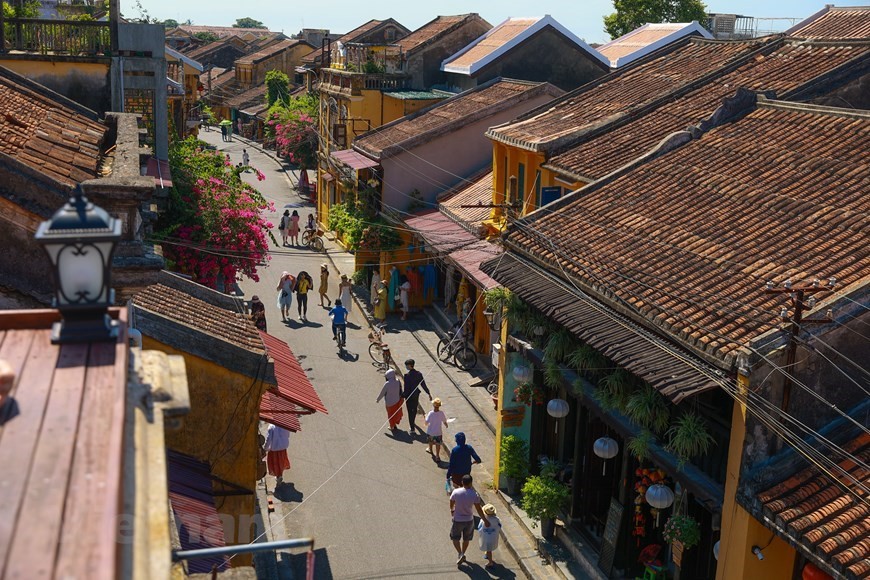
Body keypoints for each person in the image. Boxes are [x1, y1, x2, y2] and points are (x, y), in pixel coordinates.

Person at [450, 474, 489, 567]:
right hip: (469, 520)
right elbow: (479, 509)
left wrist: (452, 509)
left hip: (458, 520)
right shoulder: (474, 495)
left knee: (455, 538)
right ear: (471, 483)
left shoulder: (456, 492)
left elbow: (451, 501)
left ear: (462, 482)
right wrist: (485, 520)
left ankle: (460, 554)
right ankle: (463, 552)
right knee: (466, 539)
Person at [402, 359, 431, 433]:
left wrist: (403, 395)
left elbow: (406, 388)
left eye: (406, 365)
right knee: (414, 409)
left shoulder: (407, 376)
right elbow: (423, 384)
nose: (406, 367)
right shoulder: (419, 374)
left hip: (409, 395)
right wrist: (428, 393)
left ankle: (412, 427)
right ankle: (413, 421)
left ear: (410, 365)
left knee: (409, 411)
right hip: (415, 394)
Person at [478, 504, 502, 569]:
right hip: (493, 537)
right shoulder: (497, 519)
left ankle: (490, 562)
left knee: (489, 550)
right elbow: (500, 526)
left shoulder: (483, 520)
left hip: (486, 538)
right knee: (490, 548)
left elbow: (479, 528)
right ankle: (487, 555)